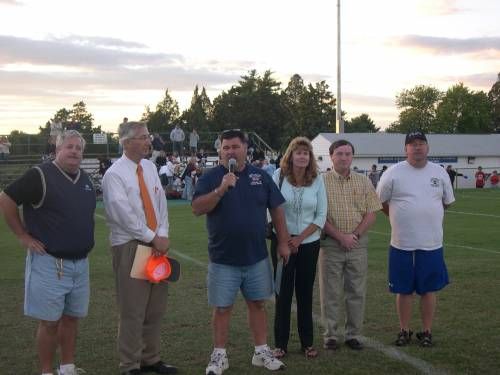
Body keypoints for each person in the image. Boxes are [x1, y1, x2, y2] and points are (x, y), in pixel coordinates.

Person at [192, 129, 289, 375]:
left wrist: (283, 242)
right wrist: (221, 189)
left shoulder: (261, 176)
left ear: (246, 149)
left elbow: (277, 210)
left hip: (256, 256)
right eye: (226, 147)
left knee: (258, 304)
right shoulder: (211, 176)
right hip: (223, 258)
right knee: (222, 308)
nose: (230, 151)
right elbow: (197, 208)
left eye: (235, 146)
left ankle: (261, 351)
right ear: (219, 151)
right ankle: (219, 356)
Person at [0, 130, 96, 375]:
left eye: (78, 148)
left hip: (80, 263)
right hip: (50, 262)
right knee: (50, 321)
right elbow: (6, 199)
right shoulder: (40, 175)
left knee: (72, 318)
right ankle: (46, 371)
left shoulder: (85, 179)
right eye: (69, 147)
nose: (74, 151)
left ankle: (67, 367)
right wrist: (23, 235)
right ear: (57, 149)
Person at [102, 121, 177, 375]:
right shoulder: (114, 174)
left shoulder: (149, 167)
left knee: (155, 309)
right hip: (131, 246)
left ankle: (151, 358)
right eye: (143, 137)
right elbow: (122, 215)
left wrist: (162, 235)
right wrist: (152, 237)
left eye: (148, 136)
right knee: (132, 310)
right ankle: (130, 364)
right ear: (126, 142)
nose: (148, 142)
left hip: (156, 244)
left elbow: (160, 203)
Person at [377, 130, 455, 348]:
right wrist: (399, 216)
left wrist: (428, 215)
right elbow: (381, 202)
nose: (417, 147)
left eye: (421, 143)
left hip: (431, 243)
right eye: (412, 144)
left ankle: (427, 331)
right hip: (401, 243)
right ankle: (404, 330)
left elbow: (446, 202)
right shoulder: (393, 173)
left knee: (428, 289)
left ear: (427, 147)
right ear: (405, 149)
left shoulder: (439, 172)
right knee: (403, 290)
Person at [319, 139, 381, 351]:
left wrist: (353, 236)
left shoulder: (363, 181)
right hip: (331, 245)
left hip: (357, 245)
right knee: (330, 292)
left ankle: (353, 334)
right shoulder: (321, 182)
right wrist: (340, 236)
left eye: (347, 153)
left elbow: (372, 212)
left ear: (352, 156)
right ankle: (331, 335)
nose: (344, 157)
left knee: (356, 291)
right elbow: (318, 216)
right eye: (339, 153)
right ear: (331, 156)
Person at [270, 137, 327, 359]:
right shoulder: (279, 177)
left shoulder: (317, 180)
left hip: (309, 244)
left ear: (310, 157)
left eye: (306, 153)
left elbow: (321, 215)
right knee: (282, 295)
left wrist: (299, 238)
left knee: (304, 294)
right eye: (298, 152)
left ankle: (307, 343)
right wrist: (285, 239)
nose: (302, 156)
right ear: (290, 155)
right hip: (281, 244)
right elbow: (272, 209)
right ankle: (280, 344)